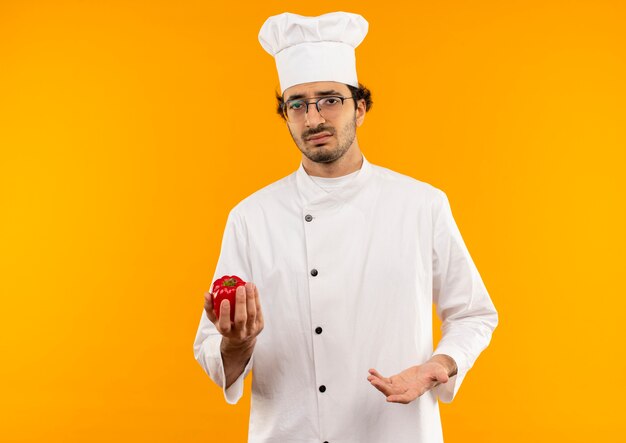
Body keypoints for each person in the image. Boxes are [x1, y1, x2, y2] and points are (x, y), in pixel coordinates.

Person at [194, 11, 498, 443]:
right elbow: (212, 349)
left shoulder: (421, 204)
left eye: (330, 99)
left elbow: (473, 312)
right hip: (288, 433)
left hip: (397, 432)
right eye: (296, 104)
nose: (313, 118)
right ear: (285, 116)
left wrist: (439, 365)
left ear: (360, 107)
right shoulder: (251, 217)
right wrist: (237, 344)